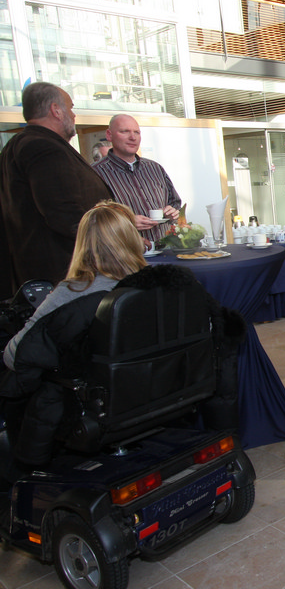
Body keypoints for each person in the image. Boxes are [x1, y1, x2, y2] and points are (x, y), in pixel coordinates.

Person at [1, 202, 146, 468]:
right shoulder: (157, 286)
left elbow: (16, 356)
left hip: (87, 407)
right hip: (146, 395)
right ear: (132, 239)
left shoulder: (72, 293)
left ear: (82, 245)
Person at [0, 82, 112, 299]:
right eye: (70, 108)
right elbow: (65, 215)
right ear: (56, 110)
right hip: (63, 278)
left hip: (39, 277)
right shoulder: (43, 148)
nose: (74, 115)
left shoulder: (15, 147)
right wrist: (115, 240)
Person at [93, 114, 181, 244]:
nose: (133, 137)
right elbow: (92, 220)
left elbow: (175, 203)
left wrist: (172, 212)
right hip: (127, 252)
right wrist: (126, 222)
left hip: (165, 248)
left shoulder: (154, 168)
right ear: (109, 135)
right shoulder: (95, 173)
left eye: (137, 132)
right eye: (125, 131)